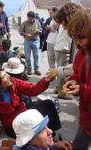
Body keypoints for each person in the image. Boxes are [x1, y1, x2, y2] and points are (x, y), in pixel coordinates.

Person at [0, 67, 55, 145]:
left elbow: (31, 89)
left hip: (25, 115)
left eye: (6, 73)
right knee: (34, 132)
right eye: (4, 77)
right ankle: (44, 140)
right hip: (13, 126)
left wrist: (45, 81)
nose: (8, 76)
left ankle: (51, 134)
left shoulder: (13, 82)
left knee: (48, 104)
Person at [62, 8, 91, 150]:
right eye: (75, 38)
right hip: (86, 116)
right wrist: (73, 81)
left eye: (81, 38)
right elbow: (77, 73)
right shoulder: (80, 54)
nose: (78, 43)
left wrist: (82, 89)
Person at [19, 11, 41, 75]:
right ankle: (29, 69)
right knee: (27, 57)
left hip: (35, 41)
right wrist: (25, 33)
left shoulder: (37, 22)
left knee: (36, 56)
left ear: (34, 18)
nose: (30, 20)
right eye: (29, 18)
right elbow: (20, 31)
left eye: (31, 19)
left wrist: (38, 31)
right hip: (27, 41)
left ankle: (36, 69)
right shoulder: (24, 23)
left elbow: (41, 30)